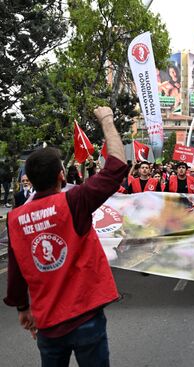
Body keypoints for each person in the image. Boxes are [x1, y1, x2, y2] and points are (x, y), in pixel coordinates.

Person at [3, 106, 127, 366]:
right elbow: (116, 166)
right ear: (62, 175)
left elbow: (16, 270)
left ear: (30, 180)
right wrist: (106, 119)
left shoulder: (15, 219)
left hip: (47, 323)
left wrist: (22, 307)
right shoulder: (74, 201)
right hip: (85, 318)